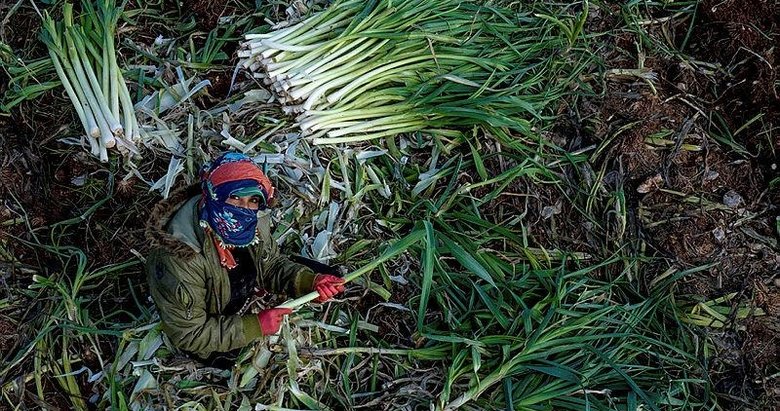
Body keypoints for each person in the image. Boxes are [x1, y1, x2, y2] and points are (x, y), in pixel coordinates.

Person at [145, 152, 345, 366]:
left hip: (237, 290)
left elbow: (270, 266)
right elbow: (189, 334)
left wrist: (310, 284)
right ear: (214, 195)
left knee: (328, 275)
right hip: (212, 321)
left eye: (253, 200)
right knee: (233, 363)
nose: (243, 208)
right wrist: (255, 326)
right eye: (235, 197)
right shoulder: (181, 259)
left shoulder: (254, 220)